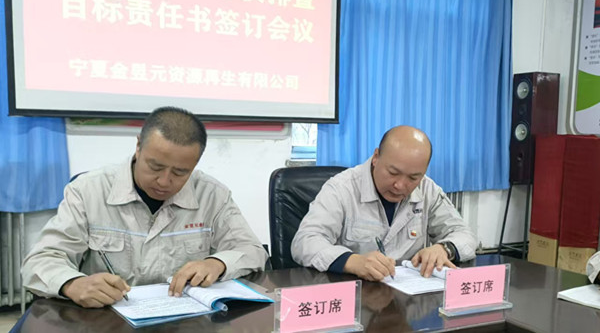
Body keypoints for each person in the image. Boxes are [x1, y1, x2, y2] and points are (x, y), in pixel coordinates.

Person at [22, 106, 268, 308]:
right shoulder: (88, 191)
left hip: (184, 322)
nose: (164, 181)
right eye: (155, 167)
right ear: (138, 146)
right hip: (106, 321)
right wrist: (72, 283)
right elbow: (41, 260)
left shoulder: (212, 194)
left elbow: (252, 250)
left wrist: (217, 263)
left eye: (180, 172)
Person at [291, 125, 477, 281]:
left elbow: (465, 235)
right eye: (393, 173)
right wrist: (351, 261)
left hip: (408, 297)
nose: (400, 185)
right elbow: (305, 241)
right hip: (355, 295)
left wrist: (444, 248)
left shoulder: (427, 189)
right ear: (376, 157)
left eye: (413, 177)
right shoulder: (341, 188)